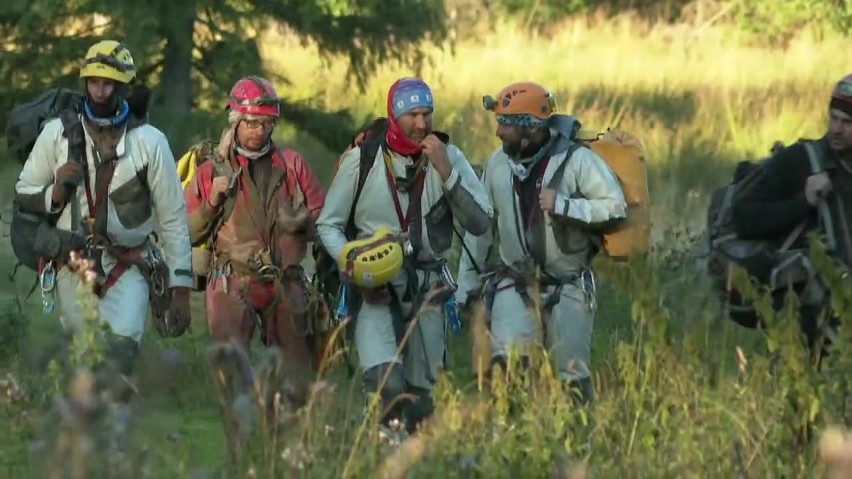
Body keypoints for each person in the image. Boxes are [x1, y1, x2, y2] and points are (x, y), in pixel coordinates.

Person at [316, 77, 493, 433]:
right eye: (412, 114)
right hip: (374, 290)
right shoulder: (361, 161)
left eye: (427, 113)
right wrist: (351, 267)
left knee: (422, 399)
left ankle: (417, 464)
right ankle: (381, 459)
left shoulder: (449, 157)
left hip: (429, 288)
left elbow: (480, 221)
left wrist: (447, 171)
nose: (422, 123)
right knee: (385, 387)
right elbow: (328, 226)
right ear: (395, 116)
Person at [14, 39, 193, 387]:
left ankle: (115, 425)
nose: (99, 90)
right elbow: (23, 192)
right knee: (85, 358)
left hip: (130, 264)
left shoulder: (151, 143)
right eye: (93, 81)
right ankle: (88, 432)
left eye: (108, 82)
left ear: (123, 87)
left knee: (122, 351)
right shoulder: (56, 135)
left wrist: (181, 286)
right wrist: (55, 192)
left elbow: (172, 217)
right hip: (71, 261)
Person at [454, 81, 628, 405]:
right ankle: (507, 444)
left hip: (571, 286)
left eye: (505, 124)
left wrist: (565, 206)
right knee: (508, 369)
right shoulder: (497, 164)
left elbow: (615, 206)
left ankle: (575, 450)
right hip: (514, 283)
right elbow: (480, 228)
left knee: (572, 380)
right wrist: (466, 286)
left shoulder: (578, 160)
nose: (498, 133)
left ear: (530, 127)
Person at [183, 75, 326, 413]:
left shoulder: (293, 166)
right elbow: (186, 233)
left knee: (296, 378)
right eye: (251, 123)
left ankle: (287, 444)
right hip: (231, 280)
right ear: (235, 121)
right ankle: (241, 447)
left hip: (285, 281)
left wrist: (303, 223)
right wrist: (212, 202)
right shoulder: (210, 171)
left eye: (266, 123)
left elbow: (324, 221)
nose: (259, 131)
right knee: (232, 374)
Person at [732, 73, 852, 359]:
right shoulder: (801, 160)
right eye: (833, 118)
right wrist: (804, 202)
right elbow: (744, 217)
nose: (836, 129)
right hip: (810, 323)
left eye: (847, 123)